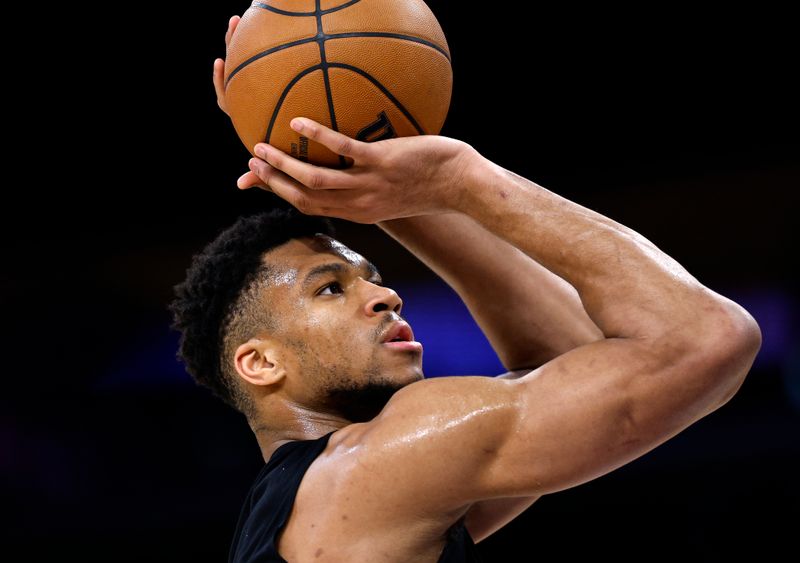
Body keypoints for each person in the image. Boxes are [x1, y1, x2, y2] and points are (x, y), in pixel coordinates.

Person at [171, 16, 761, 562]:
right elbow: (707, 339)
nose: (386, 297)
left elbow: (569, 365)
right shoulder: (384, 462)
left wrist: (374, 189)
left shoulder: (311, 508)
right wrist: (463, 181)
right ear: (259, 362)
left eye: (373, 279)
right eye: (329, 289)